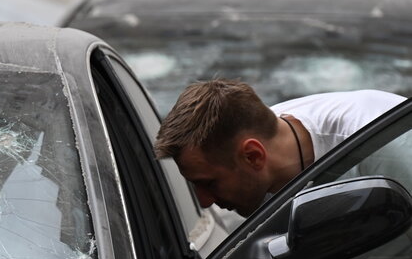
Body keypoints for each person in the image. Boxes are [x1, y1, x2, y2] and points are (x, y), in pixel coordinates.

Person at [154, 80, 405, 217]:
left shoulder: (385, 144)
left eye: (209, 183)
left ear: (253, 156)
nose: (204, 201)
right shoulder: (263, 134)